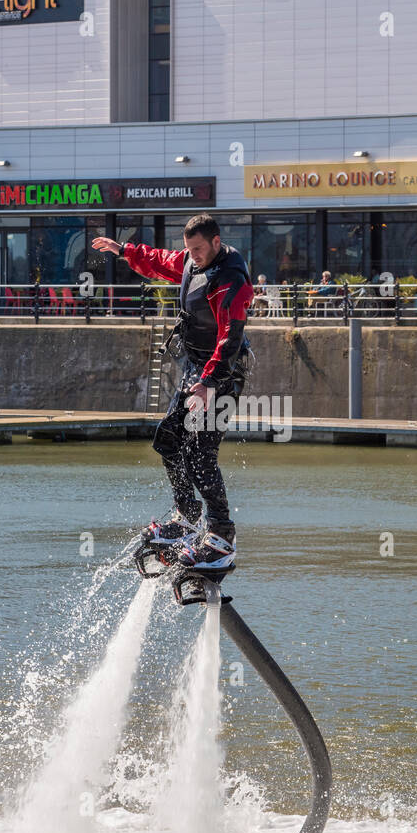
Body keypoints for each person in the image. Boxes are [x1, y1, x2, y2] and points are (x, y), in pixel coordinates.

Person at [92, 215, 253, 572]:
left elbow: (229, 337)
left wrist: (211, 382)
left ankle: (222, 534)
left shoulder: (231, 279)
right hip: (197, 370)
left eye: (198, 249)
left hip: (224, 373)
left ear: (216, 241)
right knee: (167, 441)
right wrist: (124, 250)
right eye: (189, 249)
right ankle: (186, 515)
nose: (192, 255)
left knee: (200, 452)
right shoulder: (190, 262)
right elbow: (160, 259)